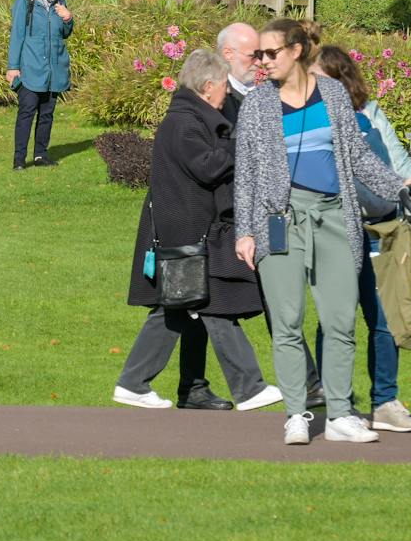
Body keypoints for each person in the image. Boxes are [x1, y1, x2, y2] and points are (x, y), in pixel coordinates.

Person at [232, 18, 411, 445]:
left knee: (339, 320)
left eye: (270, 53)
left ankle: (339, 415)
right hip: (278, 220)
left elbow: (357, 154)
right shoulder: (257, 104)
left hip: (336, 217)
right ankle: (296, 413)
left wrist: (398, 185)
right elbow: (244, 173)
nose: (262, 62)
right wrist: (244, 231)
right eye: (258, 55)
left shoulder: (334, 95)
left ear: (296, 51)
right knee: (287, 321)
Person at [309, 46, 411, 433]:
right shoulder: (309, 119)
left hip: (382, 230)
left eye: (320, 79)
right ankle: (337, 402)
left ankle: (384, 401)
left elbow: (399, 166)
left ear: (340, 80)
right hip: (334, 230)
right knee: (336, 320)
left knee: (384, 319)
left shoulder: (369, 115)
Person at [117, 49, 285, 411]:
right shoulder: (184, 122)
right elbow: (207, 167)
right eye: (224, 86)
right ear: (208, 87)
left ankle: (163, 386)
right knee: (208, 304)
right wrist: (242, 144)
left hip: (194, 230)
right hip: (189, 232)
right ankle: (249, 387)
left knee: (181, 307)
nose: (227, 92)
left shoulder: (191, 117)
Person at [7, 0, 75, 170]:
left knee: (47, 114)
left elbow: (64, 33)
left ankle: (40, 156)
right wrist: (13, 66)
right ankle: (19, 159)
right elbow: (17, 34)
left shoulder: (60, 1)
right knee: (26, 112)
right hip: (30, 67)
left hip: (53, 69)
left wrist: (68, 19)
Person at [215, 22, 261, 125]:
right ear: (228, 54)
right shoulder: (212, 96)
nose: (259, 62)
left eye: (260, 55)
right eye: (253, 56)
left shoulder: (267, 91)